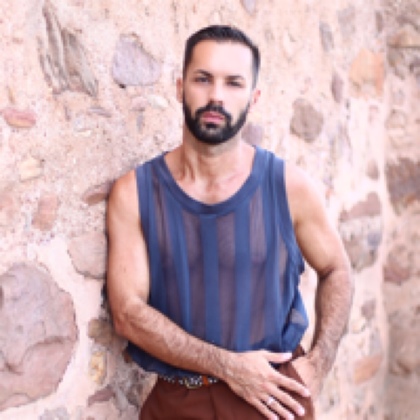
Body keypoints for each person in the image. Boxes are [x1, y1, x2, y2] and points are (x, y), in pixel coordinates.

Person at [107, 25, 353, 420]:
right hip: (177, 404)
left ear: (253, 98)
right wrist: (228, 366)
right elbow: (127, 313)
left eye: (233, 83)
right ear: (180, 87)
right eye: (203, 79)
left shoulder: (288, 187)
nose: (216, 96)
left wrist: (319, 363)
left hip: (274, 402)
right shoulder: (134, 193)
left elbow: (336, 268)